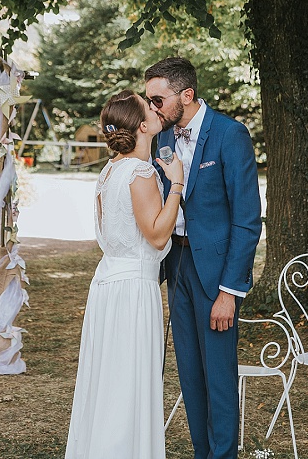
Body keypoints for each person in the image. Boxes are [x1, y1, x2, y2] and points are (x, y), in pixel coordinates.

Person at [145, 56, 261, 459]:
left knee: (219, 376)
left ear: (187, 95)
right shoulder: (161, 140)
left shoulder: (230, 135)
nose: (152, 109)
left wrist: (230, 291)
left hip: (216, 274)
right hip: (175, 266)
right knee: (190, 375)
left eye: (157, 100)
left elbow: (247, 220)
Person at [66, 90, 186, 459]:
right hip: (133, 289)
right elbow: (156, 233)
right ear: (143, 126)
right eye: (148, 106)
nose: (155, 108)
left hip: (108, 285)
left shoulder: (109, 171)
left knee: (108, 380)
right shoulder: (140, 171)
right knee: (127, 383)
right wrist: (177, 184)